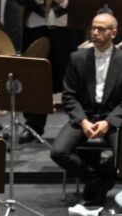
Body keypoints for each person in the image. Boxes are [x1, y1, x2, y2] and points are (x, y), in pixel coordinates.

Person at [52, 10, 122, 214]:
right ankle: (94, 178)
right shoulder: (77, 58)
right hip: (84, 116)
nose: (95, 32)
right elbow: (69, 96)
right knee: (58, 151)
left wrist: (108, 123)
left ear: (113, 33)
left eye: (101, 29)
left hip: (113, 118)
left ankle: (100, 182)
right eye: (93, 28)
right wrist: (83, 121)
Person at [15, 0, 82, 143]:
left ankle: (79, 124)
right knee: (34, 77)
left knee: (72, 75)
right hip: (35, 25)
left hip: (66, 26)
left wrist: (63, 2)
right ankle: (33, 127)